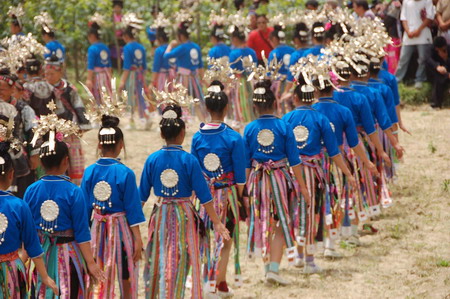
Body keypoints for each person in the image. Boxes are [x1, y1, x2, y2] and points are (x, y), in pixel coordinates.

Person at [140, 105, 230, 298]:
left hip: (161, 212)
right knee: (183, 257)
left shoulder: (152, 159)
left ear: (162, 133)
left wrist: (132, 228)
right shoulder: (189, 160)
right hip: (185, 213)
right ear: (182, 133)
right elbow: (204, 196)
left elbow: (141, 197)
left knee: (160, 256)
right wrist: (217, 222)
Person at [24, 123, 105, 297]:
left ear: (41, 162)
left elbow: (26, 230)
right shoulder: (74, 191)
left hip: (41, 256)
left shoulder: (31, 190)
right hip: (69, 257)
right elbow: (82, 232)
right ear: (66, 161)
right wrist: (90, 263)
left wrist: (23, 259)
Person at [283, 82, 356, 273]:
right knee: (312, 211)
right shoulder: (321, 119)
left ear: (296, 98)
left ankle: (299, 256)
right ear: (313, 97)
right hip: (314, 172)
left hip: (291, 172)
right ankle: (309, 259)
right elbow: (333, 152)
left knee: (296, 211)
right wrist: (348, 173)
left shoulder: (287, 118)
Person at [244, 80, 310, 285]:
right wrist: (304, 187)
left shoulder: (249, 128)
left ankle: (267, 268)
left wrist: (244, 190)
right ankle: (273, 267)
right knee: (281, 220)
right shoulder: (284, 126)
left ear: (254, 106)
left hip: (257, 179)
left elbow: (246, 164)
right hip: (281, 179)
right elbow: (295, 160)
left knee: (263, 220)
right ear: (275, 104)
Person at [191, 82, 246, 298]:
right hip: (227, 195)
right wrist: (243, 200)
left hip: (203, 197)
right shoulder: (234, 137)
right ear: (226, 109)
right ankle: (216, 282)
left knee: (205, 237)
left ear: (208, 109)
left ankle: (213, 280)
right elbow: (240, 177)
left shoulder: (197, 137)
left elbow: (194, 171)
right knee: (226, 237)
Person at [81, 115, 145, 298]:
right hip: (122, 231)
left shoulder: (90, 171)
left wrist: (84, 236)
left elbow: (84, 208)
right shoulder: (126, 173)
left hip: (97, 229)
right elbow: (133, 209)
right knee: (126, 272)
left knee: (97, 271)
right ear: (121, 144)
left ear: (99, 145)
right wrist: (138, 240)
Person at [0, 141, 59, 298]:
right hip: (11, 272)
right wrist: (45, 276)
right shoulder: (19, 206)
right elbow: (32, 246)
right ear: (12, 174)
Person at [44, 56, 91, 185]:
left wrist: (82, 125)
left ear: (60, 72)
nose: (49, 76)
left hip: (69, 130)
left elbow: (78, 105)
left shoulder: (69, 89)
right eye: (46, 74)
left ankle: (74, 186)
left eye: (52, 73)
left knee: (73, 160)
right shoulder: (42, 89)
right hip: (49, 131)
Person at [0, 70, 38, 198]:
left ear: (12, 90)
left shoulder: (24, 108)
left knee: (20, 192)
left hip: (17, 154)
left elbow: (33, 130)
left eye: (2, 89)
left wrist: (34, 154)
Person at [164, 21, 205, 121]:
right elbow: (200, 66)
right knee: (196, 101)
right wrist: (202, 79)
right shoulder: (196, 47)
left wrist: (170, 45)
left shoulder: (182, 47)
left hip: (183, 79)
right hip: (194, 78)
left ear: (181, 35)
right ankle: (203, 121)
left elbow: (166, 56)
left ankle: (182, 121)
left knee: (179, 100)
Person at [395, 0, 435, 88]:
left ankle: (420, 79)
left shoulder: (427, 1)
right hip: (409, 35)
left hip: (423, 34)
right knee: (403, 58)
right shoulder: (406, 1)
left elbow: (429, 17)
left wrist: (419, 30)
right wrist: (408, 30)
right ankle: (397, 79)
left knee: (422, 59)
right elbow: (403, 18)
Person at [229, 25, 258, 125]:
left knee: (239, 104)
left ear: (235, 39)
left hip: (239, 83)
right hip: (252, 81)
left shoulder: (234, 53)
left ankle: (240, 122)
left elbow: (231, 72)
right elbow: (255, 68)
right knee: (252, 103)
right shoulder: (252, 52)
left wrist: (228, 87)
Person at [268, 25, 295, 115]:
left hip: (280, 84)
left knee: (282, 108)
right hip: (293, 82)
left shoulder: (274, 53)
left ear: (275, 39)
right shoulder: (292, 50)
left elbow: (270, 72)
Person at [86, 18, 113, 105]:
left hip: (97, 77)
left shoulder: (92, 48)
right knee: (107, 95)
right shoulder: (105, 47)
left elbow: (91, 65)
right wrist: (110, 78)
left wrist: (89, 79)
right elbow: (109, 65)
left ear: (92, 36)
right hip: (106, 76)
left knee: (97, 96)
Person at [151, 23, 176, 95]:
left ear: (160, 39)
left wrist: (152, 82)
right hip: (174, 77)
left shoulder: (159, 50)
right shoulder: (173, 48)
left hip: (163, 78)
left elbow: (156, 68)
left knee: (163, 97)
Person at [426, 36, 450, 108]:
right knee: (438, 78)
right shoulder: (430, 49)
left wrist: (445, 58)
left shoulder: (448, 49)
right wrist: (437, 66)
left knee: (441, 77)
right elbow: (428, 60)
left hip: (446, 70)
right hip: (434, 71)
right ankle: (436, 103)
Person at [383, 0, 402, 74]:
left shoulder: (396, 4)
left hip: (395, 36)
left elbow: (389, 20)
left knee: (393, 57)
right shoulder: (390, 3)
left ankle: (393, 74)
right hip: (389, 36)